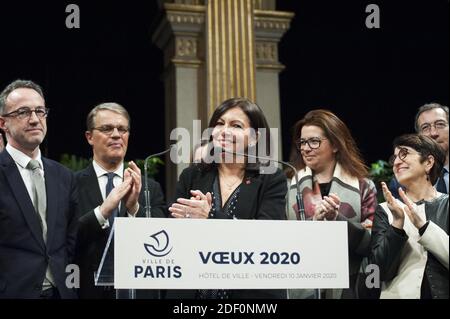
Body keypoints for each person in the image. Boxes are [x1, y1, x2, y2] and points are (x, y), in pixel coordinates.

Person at [167, 97, 288, 299]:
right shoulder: (193, 175)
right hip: (194, 291)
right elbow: (172, 229)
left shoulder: (271, 178)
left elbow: (267, 236)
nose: (224, 131)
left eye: (236, 126)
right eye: (219, 124)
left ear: (255, 138)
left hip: (251, 294)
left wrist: (211, 216)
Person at [74, 102, 166, 299]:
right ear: (89, 137)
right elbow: (67, 239)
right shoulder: (71, 184)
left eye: (122, 129)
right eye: (107, 129)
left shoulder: (151, 188)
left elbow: (161, 242)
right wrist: (103, 211)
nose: (116, 134)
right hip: (86, 292)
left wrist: (133, 207)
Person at [286, 109, 377, 299]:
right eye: (302, 142)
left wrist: (337, 220)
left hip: (350, 286)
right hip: (302, 285)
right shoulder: (288, 186)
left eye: (314, 141)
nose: (305, 148)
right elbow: (278, 239)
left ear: (335, 145)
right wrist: (315, 223)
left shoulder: (363, 186)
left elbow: (373, 241)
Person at [0, 79, 79, 298]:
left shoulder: (64, 176)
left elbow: (69, 243)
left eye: (40, 111)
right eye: (23, 112)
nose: (34, 119)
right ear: (2, 123)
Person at [371, 134, 448, 299]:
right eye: (395, 158)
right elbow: (377, 273)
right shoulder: (385, 210)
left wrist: (424, 226)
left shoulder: (447, 205)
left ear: (428, 162)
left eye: (404, 154)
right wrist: (397, 224)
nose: (397, 162)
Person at [389, 103, 449, 196]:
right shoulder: (402, 181)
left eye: (440, 124)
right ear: (419, 136)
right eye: (425, 127)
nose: (433, 133)